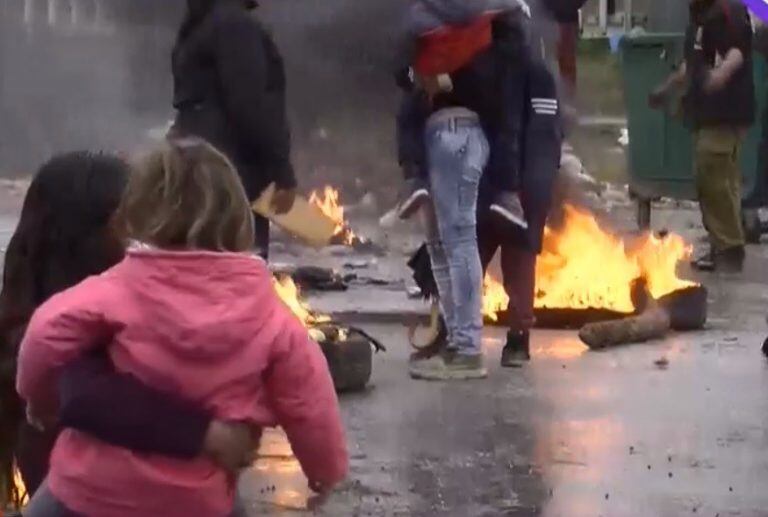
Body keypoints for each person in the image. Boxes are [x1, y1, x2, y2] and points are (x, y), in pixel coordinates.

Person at [16, 139, 347, 516]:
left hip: (89, 493)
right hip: (194, 502)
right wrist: (324, 471)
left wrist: (39, 399)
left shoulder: (118, 286)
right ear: (239, 215)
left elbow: (44, 333)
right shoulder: (269, 312)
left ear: (138, 212)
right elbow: (309, 395)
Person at [406, 17, 562, 369]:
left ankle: (510, 339)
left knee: (489, 254)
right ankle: (468, 333)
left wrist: (527, 187)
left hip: (508, 182)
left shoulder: (525, 72)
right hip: (498, 179)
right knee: (474, 252)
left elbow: (540, 133)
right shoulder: (504, 67)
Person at [171, 0, 297, 258]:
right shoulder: (235, 26)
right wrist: (281, 171)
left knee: (200, 260)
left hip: (194, 165)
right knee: (240, 262)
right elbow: (250, 104)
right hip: (234, 171)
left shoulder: (198, 25)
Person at [394, 0, 530, 230]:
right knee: (507, 121)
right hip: (483, 84)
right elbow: (515, 29)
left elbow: (401, 62)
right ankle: (507, 194)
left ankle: (414, 180)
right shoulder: (496, 5)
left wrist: (410, 82)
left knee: (408, 115)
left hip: (440, 83)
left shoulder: (421, 12)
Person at [649, 0, 755, 273]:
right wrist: (667, 88)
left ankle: (729, 248)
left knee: (714, 178)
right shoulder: (699, 16)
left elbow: (736, 52)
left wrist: (720, 75)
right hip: (709, 114)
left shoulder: (726, 11)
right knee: (715, 178)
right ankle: (725, 244)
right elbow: (694, 63)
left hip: (726, 111)